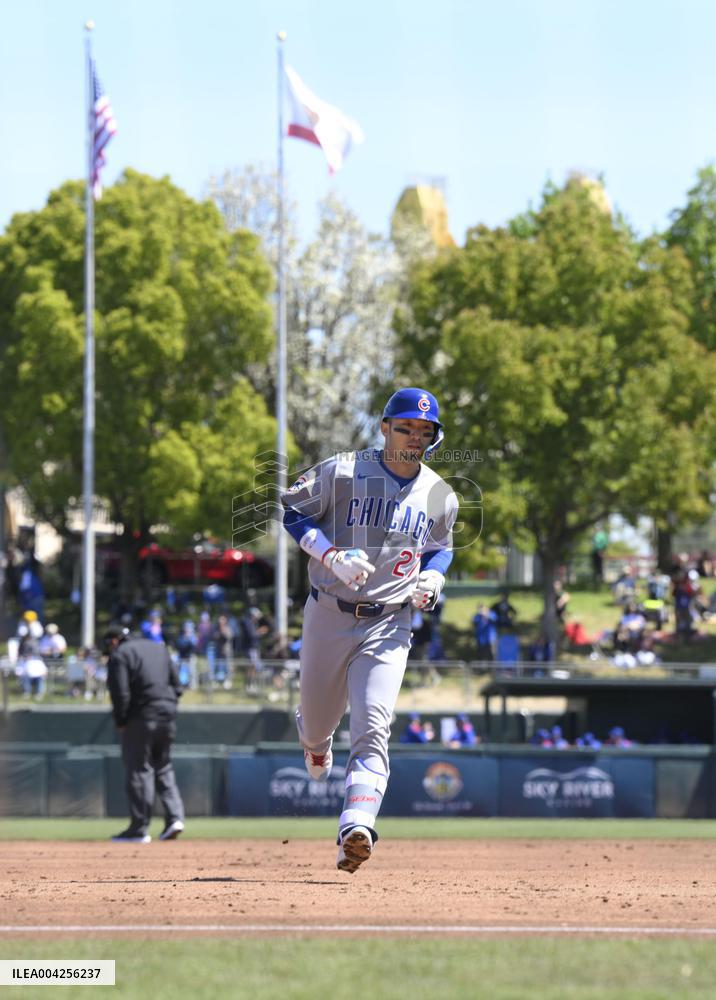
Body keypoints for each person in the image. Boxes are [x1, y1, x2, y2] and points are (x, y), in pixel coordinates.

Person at [281, 387, 458, 874]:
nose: (414, 437)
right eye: (405, 427)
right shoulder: (342, 470)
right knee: (318, 729)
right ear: (384, 428)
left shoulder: (441, 493)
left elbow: (441, 546)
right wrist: (330, 555)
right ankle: (315, 740)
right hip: (328, 612)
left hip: (389, 621)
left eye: (425, 432)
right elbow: (292, 511)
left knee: (373, 728)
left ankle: (355, 827)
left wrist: (435, 575)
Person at [104, 624, 185, 844]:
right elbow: (178, 687)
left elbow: (120, 692)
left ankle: (139, 829)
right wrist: (167, 707)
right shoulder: (160, 648)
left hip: (141, 716)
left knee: (140, 770)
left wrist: (121, 721)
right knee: (164, 766)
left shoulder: (120, 654)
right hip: (167, 714)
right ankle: (175, 819)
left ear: (114, 641)